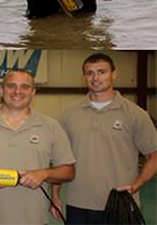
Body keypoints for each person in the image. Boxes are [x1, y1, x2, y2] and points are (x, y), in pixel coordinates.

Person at [0, 69, 75, 224]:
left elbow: (68, 171)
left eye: (25, 86)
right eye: (11, 86)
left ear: (33, 92)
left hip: (33, 219)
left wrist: (43, 174)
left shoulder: (51, 127)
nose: (18, 91)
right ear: (1, 90)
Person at [51, 53, 157, 224]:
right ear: (84, 77)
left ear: (113, 74)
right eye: (89, 73)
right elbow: (61, 159)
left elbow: (154, 156)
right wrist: (55, 195)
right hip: (78, 204)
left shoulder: (136, 114)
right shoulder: (69, 114)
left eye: (101, 72)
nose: (95, 77)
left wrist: (136, 185)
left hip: (120, 204)